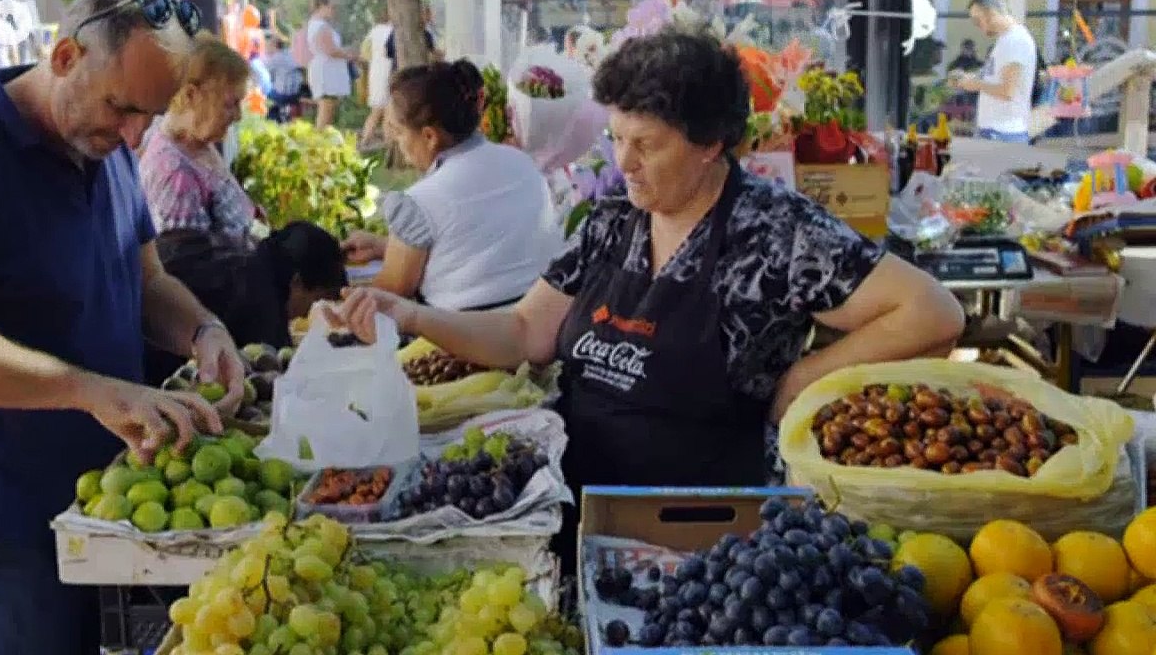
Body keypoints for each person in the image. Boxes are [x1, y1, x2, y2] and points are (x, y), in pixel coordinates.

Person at [324, 31, 965, 570]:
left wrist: (803, 377)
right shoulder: (612, 224)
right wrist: (410, 314)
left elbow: (933, 314)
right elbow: (524, 333)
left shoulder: (777, 232)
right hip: (582, 512)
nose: (624, 162)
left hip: (708, 536)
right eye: (617, 139)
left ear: (712, 141)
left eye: (647, 145)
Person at [0, 0, 245, 654]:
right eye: (122, 108)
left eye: (151, 116)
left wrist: (204, 330)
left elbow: (147, 280)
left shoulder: (105, 146)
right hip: (0, 527)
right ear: (67, 56)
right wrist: (86, 389)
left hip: (99, 509)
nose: (135, 134)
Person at [341, 59, 562, 312]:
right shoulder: (522, 163)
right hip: (543, 319)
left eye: (400, 133)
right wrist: (384, 247)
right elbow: (478, 245)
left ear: (429, 136)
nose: (399, 147)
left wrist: (333, 302)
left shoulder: (420, 200)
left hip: (466, 337)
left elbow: (392, 292)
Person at [145, 221, 349, 385]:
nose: (305, 314)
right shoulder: (263, 309)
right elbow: (278, 382)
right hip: (151, 368)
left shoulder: (247, 256)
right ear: (297, 282)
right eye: (316, 300)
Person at [140, 33, 259, 244]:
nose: (239, 116)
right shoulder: (175, 174)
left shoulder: (196, 144)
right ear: (191, 96)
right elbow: (192, 265)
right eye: (230, 104)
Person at [952, 0, 1038, 144]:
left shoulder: (1014, 40)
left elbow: (1008, 91)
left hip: (1002, 134)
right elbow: (996, 79)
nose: (978, 26)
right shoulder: (1006, 40)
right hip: (997, 132)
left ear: (991, 13)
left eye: (977, 21)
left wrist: (975, 84)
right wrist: (970, 79)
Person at [305, 0, 356, 129]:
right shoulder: (320, 26)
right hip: (326, 71)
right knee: (326, 108)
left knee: (329, 107)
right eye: (331, 7)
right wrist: (350, 55)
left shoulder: (316, 25)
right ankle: (320, 139)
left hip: (327, 68)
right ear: (322, 6)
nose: (333, 11)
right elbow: (330, 50)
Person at [359, 8, 394, 149]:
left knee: (377, 111)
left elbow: (364, 53)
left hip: (376, 71)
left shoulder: (374, 31)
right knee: (388, 110)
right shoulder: (394, 30)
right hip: (389, 70)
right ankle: (388, 144)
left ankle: (365, 141)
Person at [385, 5, 444, 72]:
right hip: (411, 73)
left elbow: (387, 52)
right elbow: (430, 56)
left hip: (399, 73)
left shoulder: (397, 31)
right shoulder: (425, 35)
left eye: (429, 14)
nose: (429, 17)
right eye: (427, 14)